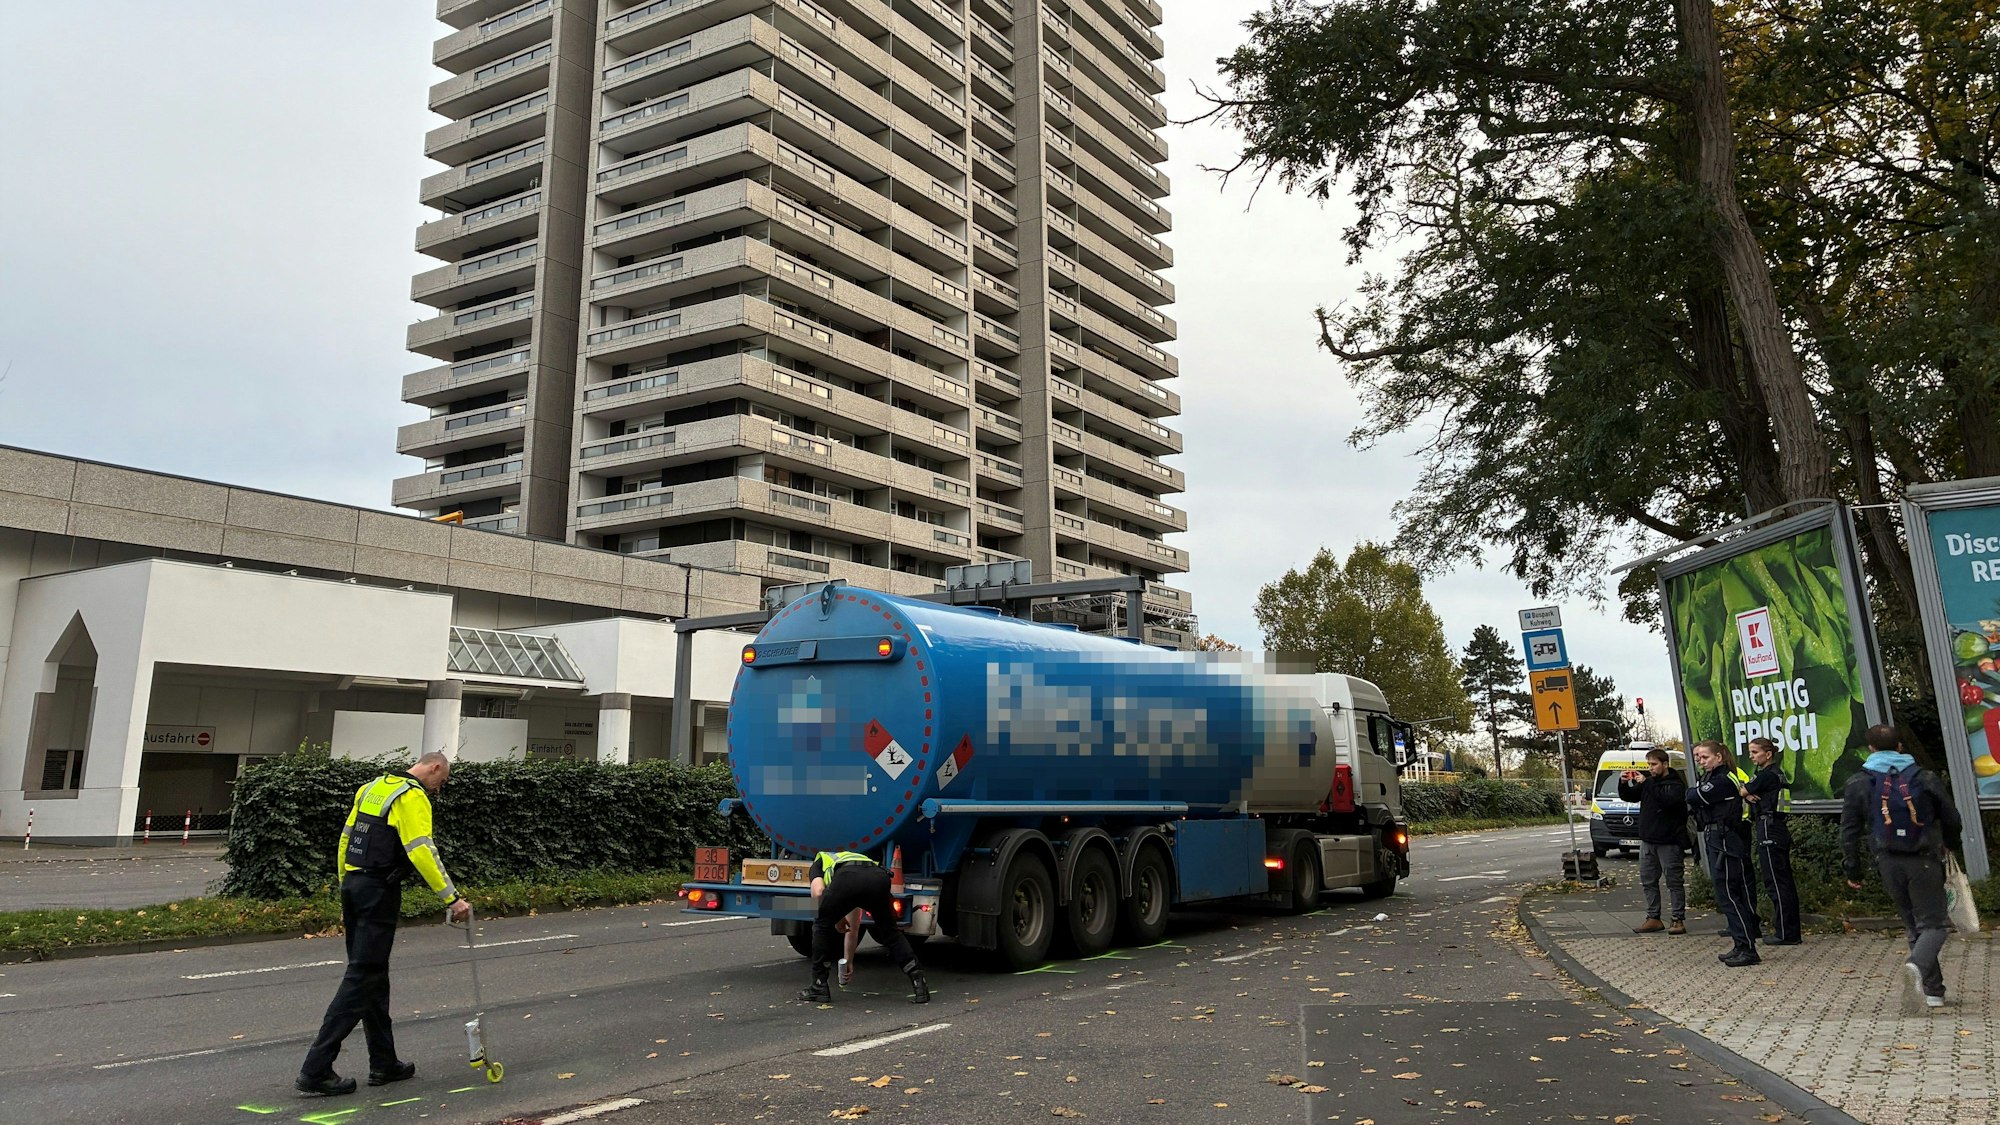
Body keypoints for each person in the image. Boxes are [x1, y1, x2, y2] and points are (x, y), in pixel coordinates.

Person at [298, 752, 472, 1096]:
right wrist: (452, 898)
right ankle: (315, 1068)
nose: (440, 789)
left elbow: (347, 837)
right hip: (379, 889)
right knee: (363, 976)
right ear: (434, 767)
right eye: (443, 780)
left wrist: (346, 883)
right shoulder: (411, 796)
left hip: (355, 886)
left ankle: (383, 1063)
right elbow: (421, 850)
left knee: (373, 976)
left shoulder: (372, 787)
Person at [1841, 724, 1964, 1010]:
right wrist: (1950, 843)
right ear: (1900, 746)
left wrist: (1853, 868)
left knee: (1913, 925)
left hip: (1887, 861)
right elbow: (1952, 817)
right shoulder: (1924, 777)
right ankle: (1916, 966)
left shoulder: (1859, 782)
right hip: (1923, 859)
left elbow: (1848, 829)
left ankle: (1934, 993)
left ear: (1870, 749)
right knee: (1935, 924)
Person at [796, 850, 928, 1005]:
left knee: (821, 925)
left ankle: (819, 985)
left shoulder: (819, 861)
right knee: (891, 932)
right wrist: (848, 960)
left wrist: (834, 917)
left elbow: (818, 893)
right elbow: (853, 927)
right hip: (878, 878)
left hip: (848, 881)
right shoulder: (856, 859)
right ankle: (919, 981)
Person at [1687, 740, 1760, 966]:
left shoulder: (1724, 778)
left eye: (1705, 757)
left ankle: (1747, 947)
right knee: (1725, 894)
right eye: (1699, 758)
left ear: (1719, 757)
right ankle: (1740, 944)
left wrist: (1695, 793)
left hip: (1726, 840)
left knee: (1729, 893)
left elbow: (1694, 796)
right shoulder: (1711, 777)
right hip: (1717, 837)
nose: (1701, 761)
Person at [1618, 748, 1688, 935]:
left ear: (1665, 764)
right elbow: (1629, 796)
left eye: (1654, 764)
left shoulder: (1675, 784)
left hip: (1669, 841)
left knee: (1674, 881)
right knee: (1648, 880)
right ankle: (1653, 917)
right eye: (1648, 764)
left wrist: (1647, 783)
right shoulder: (1650, 783)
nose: (1651, 768)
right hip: (1648, 840)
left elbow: (1668, 801)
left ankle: (1677, 918)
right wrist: (1623, 783)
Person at [1740, 736, 1802, 945]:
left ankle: (1786, 933)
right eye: (1750, 752)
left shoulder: (1767, 775)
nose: (1751, 756)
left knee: (1776, 882)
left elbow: (1743, 790)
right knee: (1782, 881)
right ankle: (1789, 931)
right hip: (1776, 828)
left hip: (1769, 827)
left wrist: (1746, 795)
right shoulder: (1774, 774)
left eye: (1755, 752)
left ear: (1768, 754)